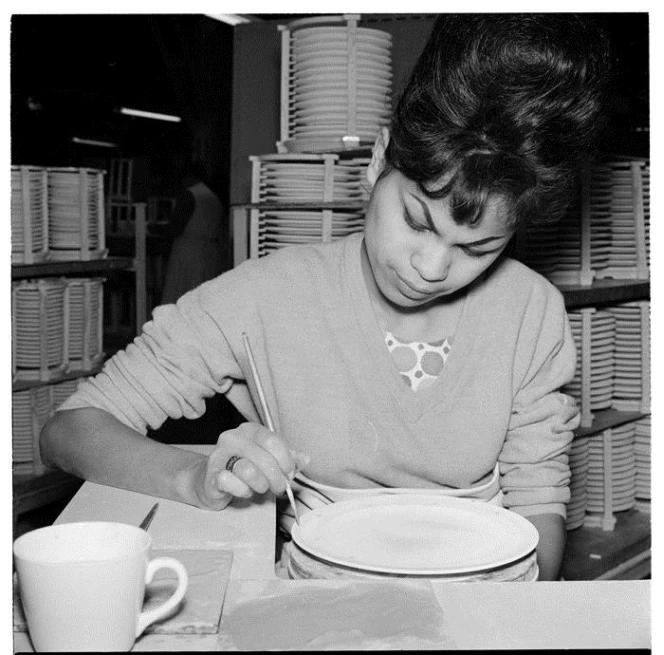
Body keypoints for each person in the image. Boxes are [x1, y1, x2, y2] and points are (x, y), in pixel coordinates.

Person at [41, 14, 610, 581]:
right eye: (416, 221)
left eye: (478, 248)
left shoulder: (530, 311)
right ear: (379, 161)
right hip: (320, 608)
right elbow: (69, 430)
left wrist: (528, 613)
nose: (432, 268)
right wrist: (194, 478)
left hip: (483, 603)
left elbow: (539, 499)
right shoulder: (266, 298)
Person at [160, 161, 226, 304]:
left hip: (188, 253)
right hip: (209, 254)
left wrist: (151, 227)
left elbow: (175, 228)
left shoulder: (190, 195)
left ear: (188, 177)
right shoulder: (213, 198)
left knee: (181, 297)